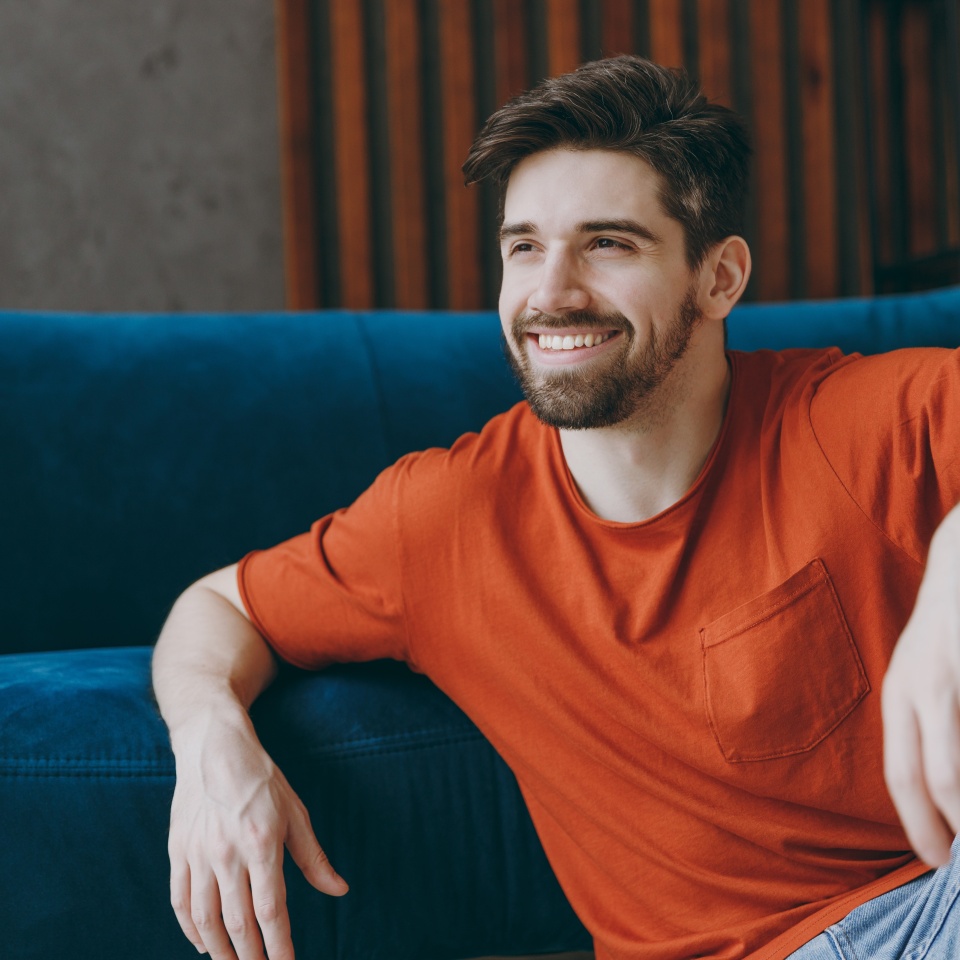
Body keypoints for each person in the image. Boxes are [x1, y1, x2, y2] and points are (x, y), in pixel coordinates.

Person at [152, 55, 960, 960]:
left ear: (720, 279)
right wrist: (211, 743)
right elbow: (217, 608)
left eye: (609, 243)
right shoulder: (446, 520)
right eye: (524, 247)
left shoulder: (855, 422)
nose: (550, 292)